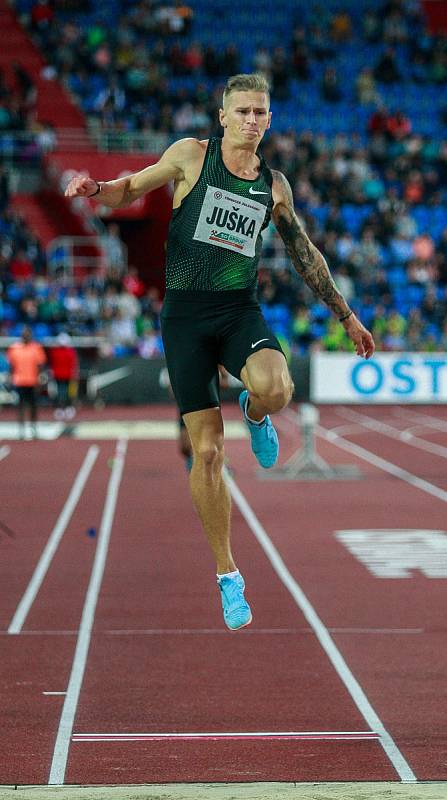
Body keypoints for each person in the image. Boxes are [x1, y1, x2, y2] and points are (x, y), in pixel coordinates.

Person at [65, 73, 375, 631]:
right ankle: (229, 576)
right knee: (207, 453)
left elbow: (304, 254)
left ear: (270, 120)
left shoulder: (273, 186)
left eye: (262, 112)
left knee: (277, 387)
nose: (254, 120)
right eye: (245, 111)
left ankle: (256, 415)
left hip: (237, 310)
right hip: (185, 317)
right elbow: (132, 189)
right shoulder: (190, 157)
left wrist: (346, 316)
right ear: (224, 115)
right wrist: (98, 191)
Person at [7, 326, 47, 439]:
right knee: (20, 406)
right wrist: (10, 378)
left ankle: (33, 429)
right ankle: (21, 430)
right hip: (19, 381)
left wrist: (40, 379)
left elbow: (40, 365)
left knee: (33, 407)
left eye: (27, 334)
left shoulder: (36, 347)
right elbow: (11, 366)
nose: (26, 336)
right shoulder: (14, 348)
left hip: (32, 381)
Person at [48, 332, 79, 420]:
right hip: (66, 375)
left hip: (59, 375)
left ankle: (61, 409)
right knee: (66, 393)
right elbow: (74, 364)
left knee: (61, 392)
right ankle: (65, 408)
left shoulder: (55, 351)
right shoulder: (70, 351)